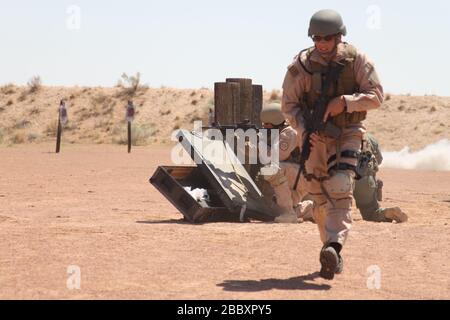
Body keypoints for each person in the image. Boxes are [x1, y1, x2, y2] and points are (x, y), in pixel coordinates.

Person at [281, 9, 384, 279]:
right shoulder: (300, 67)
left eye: (327, 37)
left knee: (339, 186)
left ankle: (335, 246)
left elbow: (376, 97)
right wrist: (304, 130)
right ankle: (329, 249)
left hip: (348, 130)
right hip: (315, 137)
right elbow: (289, 107)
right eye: (317, 38)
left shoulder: (357, 60)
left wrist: (345, 103)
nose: (322, 43)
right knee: (318, 197)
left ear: (339, 36)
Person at [258, 103, 314, 224]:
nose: (264, 127)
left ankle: (288, 213)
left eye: (267, 124)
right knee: (273, 211)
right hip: (299, 178)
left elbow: (276, 156)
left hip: (303, 177)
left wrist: (258, 145)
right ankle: (311, 210)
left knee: (271, 169)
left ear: (277, 121)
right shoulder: (283, 131)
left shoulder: (289, 133)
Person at [354, 133, 408, 223]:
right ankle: (387, 213)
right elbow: (379, 160)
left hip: (340, 178)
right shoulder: (369, 137)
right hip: (366, 179)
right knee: (370, 213)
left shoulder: (336, 132)